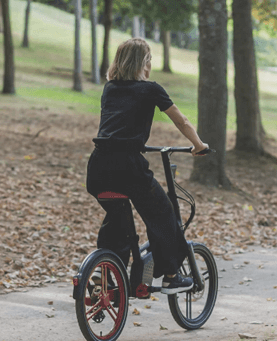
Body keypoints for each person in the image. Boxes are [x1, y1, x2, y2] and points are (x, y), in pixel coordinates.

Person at [85, 38, 208, 294]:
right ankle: (172, 276)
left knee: (118, 221)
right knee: (162, 215)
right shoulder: (151, 89)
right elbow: (182, 121)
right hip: (127, 167)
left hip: (98, 167)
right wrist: (197, 144)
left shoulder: (110, 88)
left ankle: (105, 271)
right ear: (145, 63)